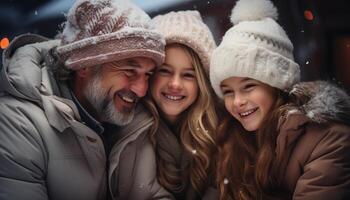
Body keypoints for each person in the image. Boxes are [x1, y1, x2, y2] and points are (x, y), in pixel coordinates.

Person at [0, 0, 166, 199]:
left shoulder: (136, 118)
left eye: (148, 74)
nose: (141, 90)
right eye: (130, 71)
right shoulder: (18, 124)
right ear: (83, 66)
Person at [209, 0, 350, 199]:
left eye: (248, 86)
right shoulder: (230, 139)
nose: (237, 101)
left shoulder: (327, 137)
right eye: (228, 92)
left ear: (276, 85)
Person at [152, 11, 219, 199]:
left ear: (202, 83)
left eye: (188, 75)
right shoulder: (130, 130)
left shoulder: (219, 133)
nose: (175, 84)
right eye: (165, 71)